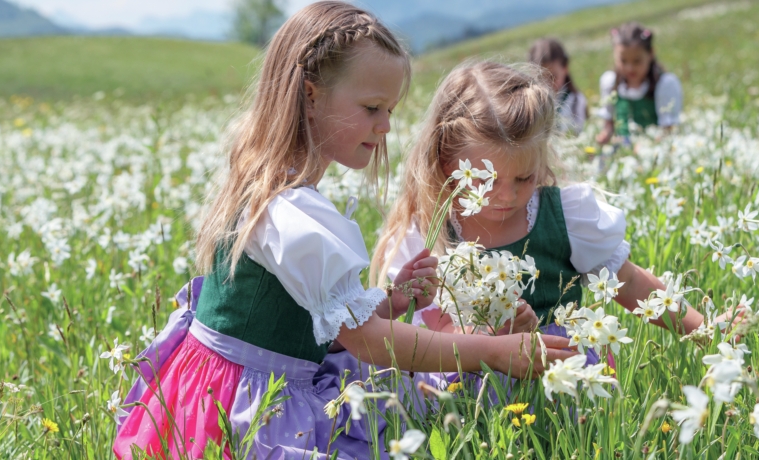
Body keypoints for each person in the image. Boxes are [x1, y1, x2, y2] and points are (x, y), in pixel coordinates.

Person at [113, 3, 571, 459]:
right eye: (372, 107)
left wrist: (389, 302)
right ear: (310, 95)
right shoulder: (294, 212)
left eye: (389, 109)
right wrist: (488, 352)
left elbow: (302, 317)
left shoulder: (268, 183)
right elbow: (369, 342)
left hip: (214, 389)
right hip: (249, 408)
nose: (386, 126)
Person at [373, 61, 739, 360]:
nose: (507, 195)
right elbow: (419, 331)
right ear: (446, 160)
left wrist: (702, 330)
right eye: (484, 181)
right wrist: (486, 338)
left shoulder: (566, 216)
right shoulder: (429, 234)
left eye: (525, 177)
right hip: (470, 383)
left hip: (567, 368)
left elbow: (630, 282)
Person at [596, 22, 683, 145]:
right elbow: (608, 125)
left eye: (637, 61)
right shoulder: (610, 83)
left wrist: (647, 146)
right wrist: (605, 135)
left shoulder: (664, 84)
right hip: (621, 152)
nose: (630, 68)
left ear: (651, 54)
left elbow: (668, 129)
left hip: (653, 151)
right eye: (623, 61)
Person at [528, 38, 587, 134]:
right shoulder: (532, 105)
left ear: (565, 68)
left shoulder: (576, 100)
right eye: (541, 78)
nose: (547, 84)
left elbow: (579, 133)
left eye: (553, 77)